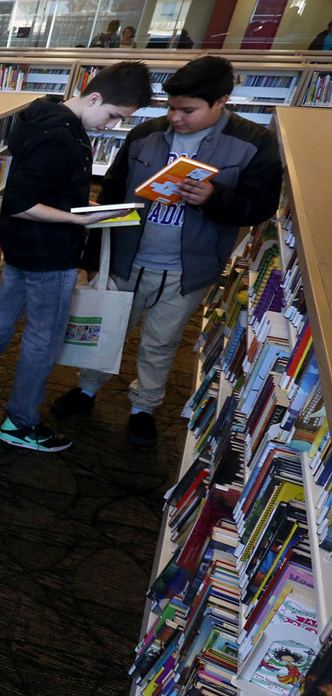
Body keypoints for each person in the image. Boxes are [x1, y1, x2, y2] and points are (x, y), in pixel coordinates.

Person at [53, 55, 282, 447]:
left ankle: (143, 407)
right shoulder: (146, 133)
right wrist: (93, 257)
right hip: (126, 256)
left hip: (187, 269)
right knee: (104, 328)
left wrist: (213, 198)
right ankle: (87, 389)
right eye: (171, 107)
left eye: (188, 110)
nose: (176, 118)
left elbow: (259, 207)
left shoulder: (253, 143)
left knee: (161, 342)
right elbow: (111, 191)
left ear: (221, 101)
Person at [0, 61, 153, 452]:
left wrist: (81, 204)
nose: (112, 125)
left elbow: (40, 186)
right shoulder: (62, 138)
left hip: (21, 244)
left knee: (0, 318)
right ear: (95, 97)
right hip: (49, 251)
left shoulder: (42, 116)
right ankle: (20, 422)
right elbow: (20, 202)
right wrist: (77, 218)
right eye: (114, 115)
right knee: (42, 338)